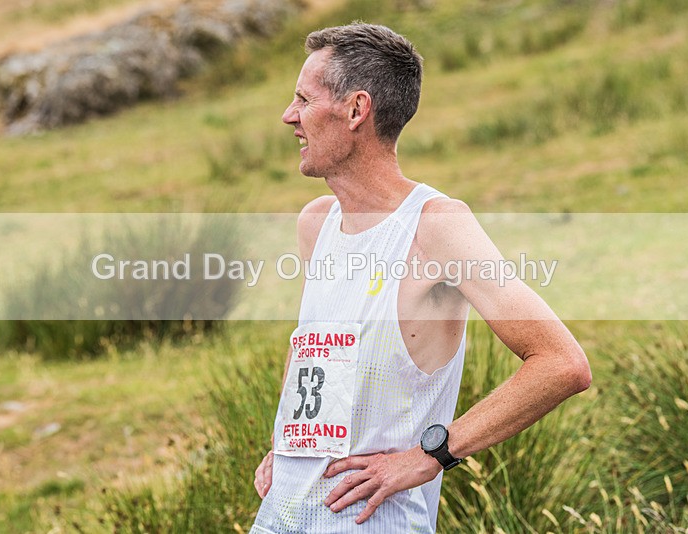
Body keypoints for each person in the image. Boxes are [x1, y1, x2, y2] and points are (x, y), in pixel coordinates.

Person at [250, 22, 591, 534]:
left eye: (302, 99)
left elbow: (563, 363)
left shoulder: (435, 226)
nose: (288, 116)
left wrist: (429, 456)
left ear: (356, 110)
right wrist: (285, 445)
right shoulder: (315, 224)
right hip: (280, 515)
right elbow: (313, 349)